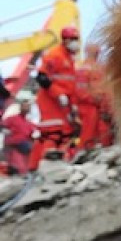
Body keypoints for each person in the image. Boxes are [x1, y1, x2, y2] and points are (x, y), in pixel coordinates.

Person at [32, 25, 85, 167]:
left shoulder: (70, 60)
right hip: (50, 101)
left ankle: (59, 164)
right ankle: (45, 165)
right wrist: (58, 93)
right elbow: (42, 78)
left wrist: (73, 105)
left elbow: (71, 86)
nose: (75, 42)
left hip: (63, 103)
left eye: (76, 39)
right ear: (65, 40)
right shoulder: (54, 55)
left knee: (67, 134)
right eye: (73, 39)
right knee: (52, 134)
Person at [75, 41, 112, 150]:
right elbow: (81, 91)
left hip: (100, 107)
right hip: (90, 107)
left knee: (103, 134)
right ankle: (85, 154)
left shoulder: (99, 68)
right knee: (89, 134)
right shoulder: (86, 68)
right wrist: (96, 100)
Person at [2, 98, 37, 175]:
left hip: (24, 145)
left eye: (27, 107)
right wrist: (6, 131)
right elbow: (3, 125)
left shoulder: (29, 123)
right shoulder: (12, 119)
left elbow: (35, 133)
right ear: (20, 107)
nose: (26, 108)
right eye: (24, 106)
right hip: (13, 144)